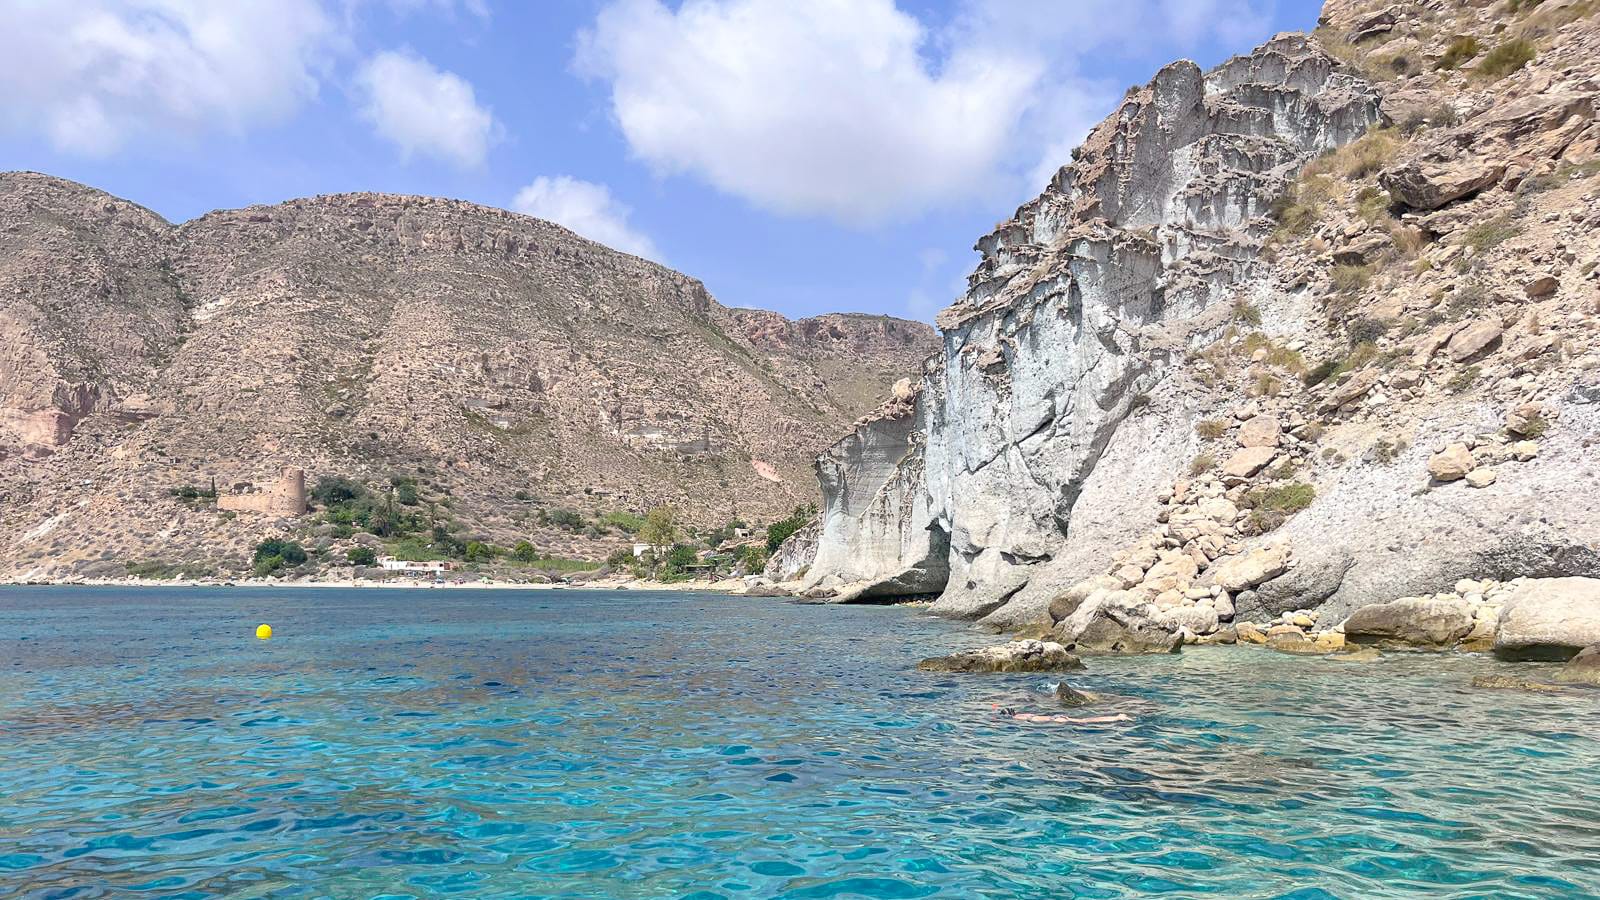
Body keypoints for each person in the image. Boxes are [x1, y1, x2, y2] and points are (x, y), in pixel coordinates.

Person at [995, 705, 1131, 725]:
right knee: (1084, 720)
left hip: (1054, 720)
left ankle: (1117, 718)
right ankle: (1116, 717)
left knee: (1084, 721)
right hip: (1054, 717)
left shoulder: (1017, 718)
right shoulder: (1021, 714)